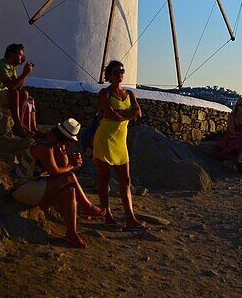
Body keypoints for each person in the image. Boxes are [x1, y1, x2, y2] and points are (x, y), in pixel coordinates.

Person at [12, 118, 104, 248]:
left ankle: (71, 234)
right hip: (24, 188)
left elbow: (63, 165)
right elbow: (55, 172)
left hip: (34, 187)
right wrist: (72, 165)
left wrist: (66, 156)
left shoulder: (52, 146)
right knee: (70, 176)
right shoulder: (44, 147)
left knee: (70, 191)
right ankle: (87, 207)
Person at [92, 60, 145, 230]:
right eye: (115, 72)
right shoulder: (104, 93)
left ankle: (130, 218)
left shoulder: (129, 93)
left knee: (125, 179)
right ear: (108, 75)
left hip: (120, 141)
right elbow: (110, 114)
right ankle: (107, 216)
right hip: (105, 138)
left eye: (122, 71)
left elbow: (138, 113)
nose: (120, 74)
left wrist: (121, 114)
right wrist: (128, 115)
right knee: (104, 178)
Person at [216, 97, 242, 171]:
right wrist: (239, 134)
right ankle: (238, 159)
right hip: (231, 137)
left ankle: (240, 158)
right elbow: (232, 131)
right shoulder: (232, 116)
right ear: (237, 106)